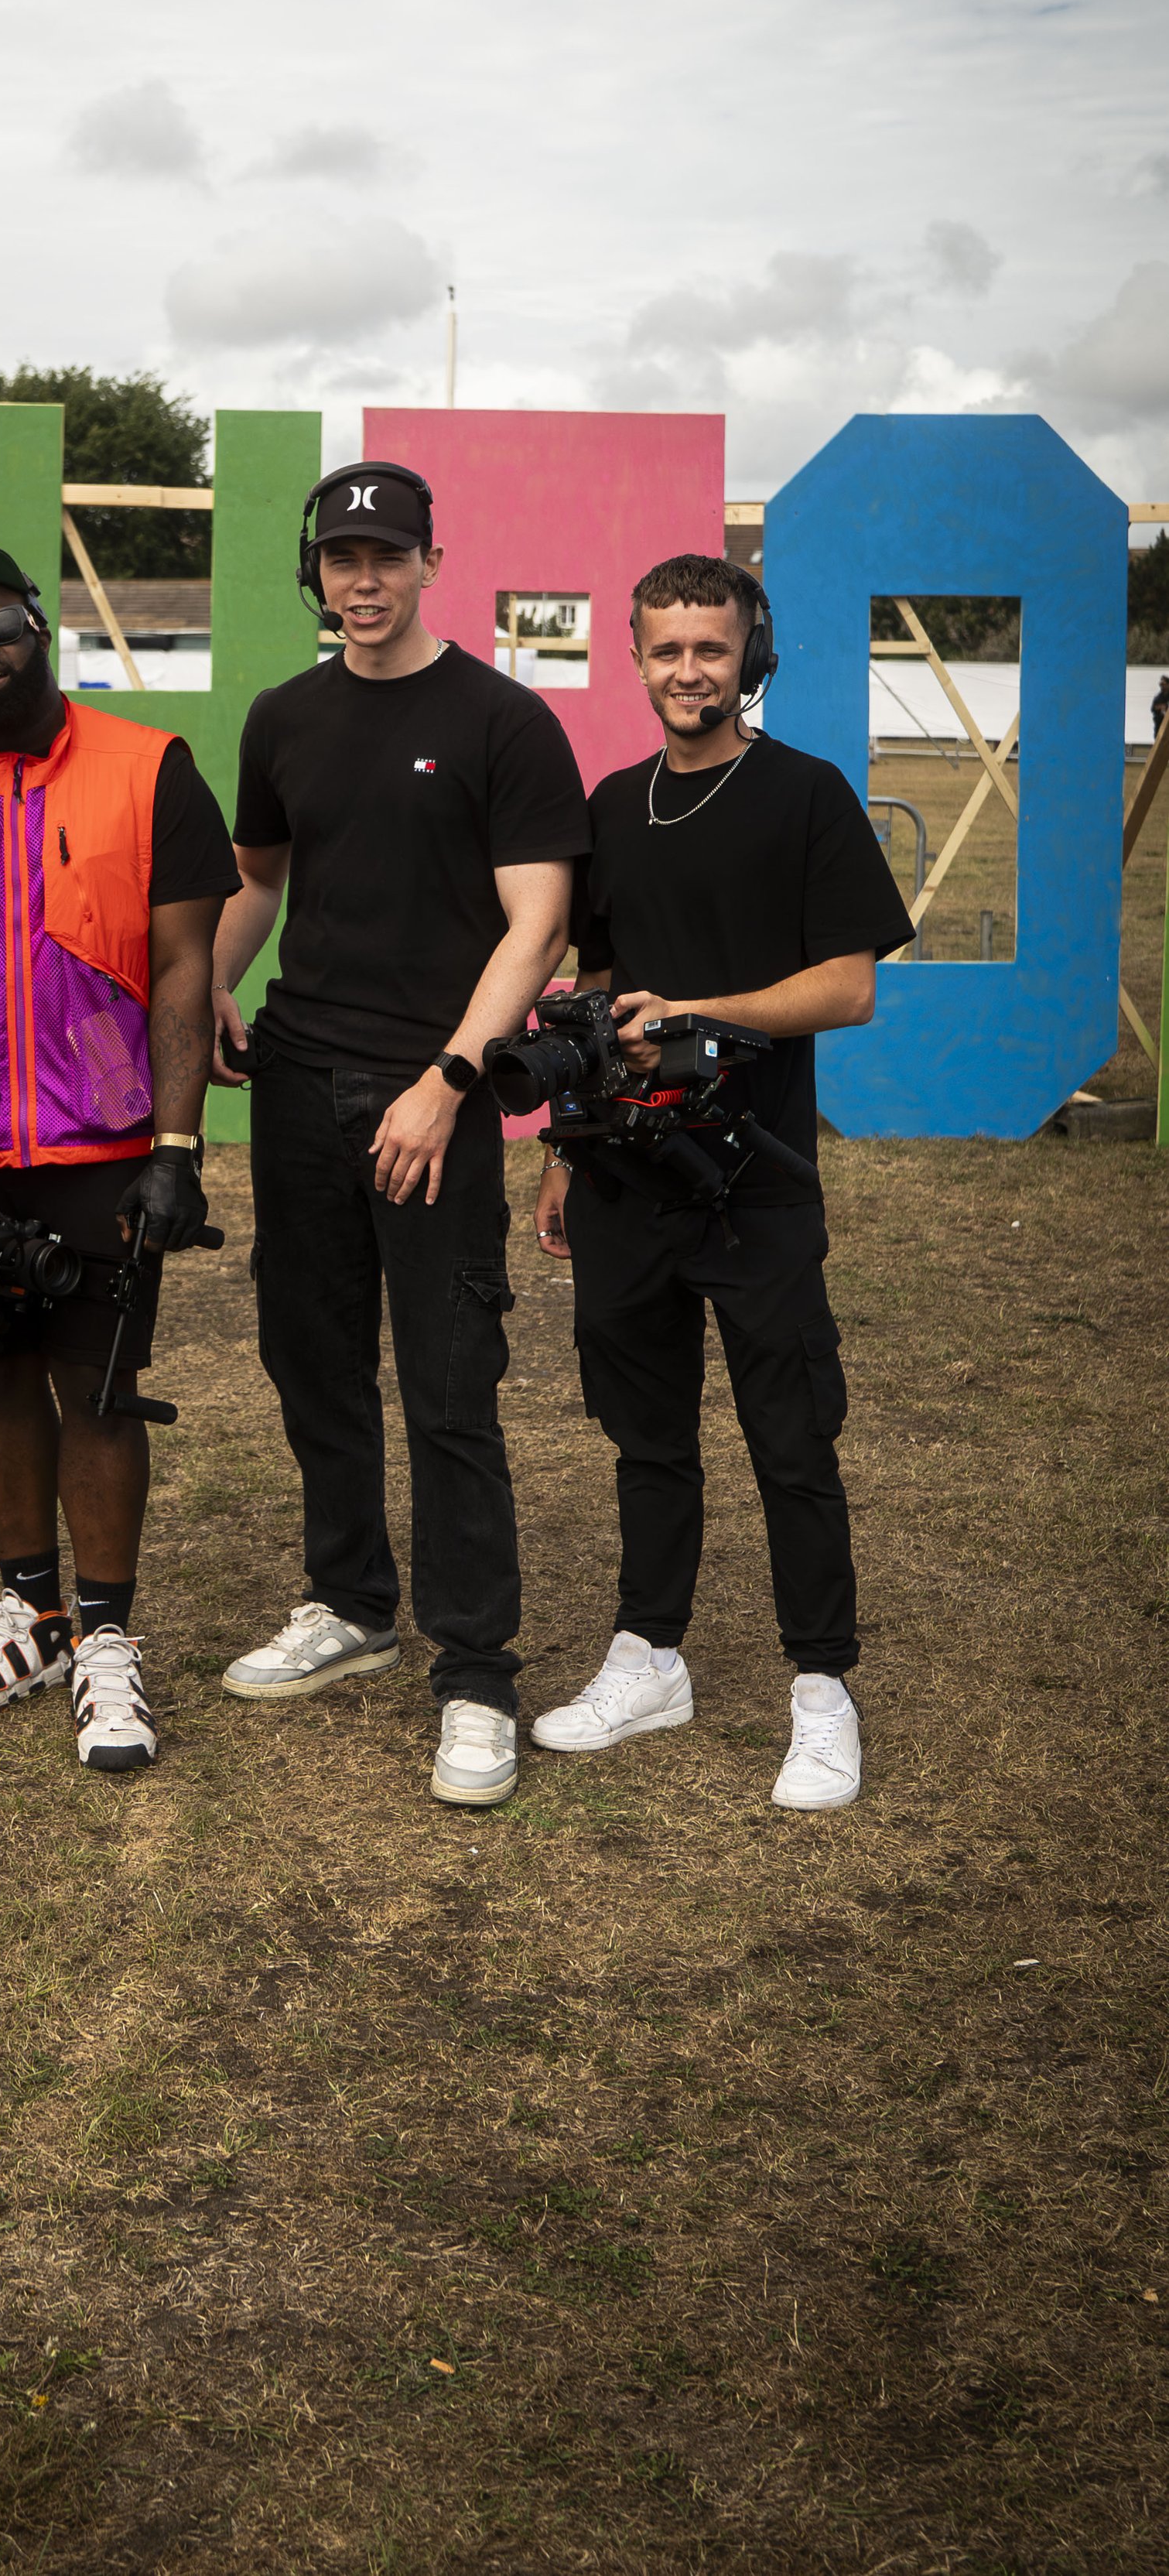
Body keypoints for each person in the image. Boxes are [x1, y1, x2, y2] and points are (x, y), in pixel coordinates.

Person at [211, 462, 589, 1809]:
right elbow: (260, 882)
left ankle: (477, 1671)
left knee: (446, 1383)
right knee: (309, 1356)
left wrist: (447, 1078)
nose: (362, 580)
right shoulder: (283, 717)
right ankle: (351, 1604)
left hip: (432, 1095)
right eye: (340, 558)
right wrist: (210, 978)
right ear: (314, 571)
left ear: (434, 558)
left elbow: (534, 924)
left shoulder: (501, 718)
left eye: (386, 555)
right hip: (299, 1086)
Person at [531, 551, 916, 1811]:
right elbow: (594, 992)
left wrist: (702, 1009)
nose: (688, 670)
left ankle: (822, 1689)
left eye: (713, 648)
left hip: (755, 1179)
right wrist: (560, 1147)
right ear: (634, 657)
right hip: (626, 1179)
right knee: (646, 1438)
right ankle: (651, 1656)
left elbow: (848, 986)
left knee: (791, 1440)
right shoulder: (610, 803)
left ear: (753, 656)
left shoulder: (806, 796)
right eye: (667, 649)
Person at [0, 546, 239, 1773]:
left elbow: (186, 966)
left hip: (110, 1150)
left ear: (40, 627)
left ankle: (110, 1644)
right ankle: (33, 1613)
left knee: (102, 1392)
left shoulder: (151, 770)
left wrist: (175, 1150)